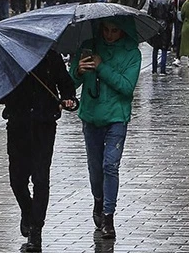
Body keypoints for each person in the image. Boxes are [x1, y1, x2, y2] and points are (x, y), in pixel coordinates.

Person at [68, 18, 142, 240]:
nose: (110, 35)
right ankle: (98, 200)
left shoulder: (132, 53)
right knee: (95, 167)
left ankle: (108, 216)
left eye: (115, 31)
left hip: (116, 117)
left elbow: (127, 87)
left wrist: (101, 67)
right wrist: (78, 71)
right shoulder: (88, 47)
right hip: (91, 116)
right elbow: (70, 84)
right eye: (106, 30)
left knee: (110, 165)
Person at [0, 50, 77, 252]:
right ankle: (28, 211)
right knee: (17, 179)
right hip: (18, 124)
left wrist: (68, 99)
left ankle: (36, 230)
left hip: (44, 124)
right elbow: (1, 93)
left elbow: (66, 85)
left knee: (41, 178)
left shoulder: (51, 56)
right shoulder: (12, 57)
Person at [147, 0, 174, 75]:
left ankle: (154, 69)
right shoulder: (169, 1)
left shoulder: (152, 1)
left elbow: (149, 14)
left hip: (155, 25)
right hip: (165, 26)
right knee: (164, 49)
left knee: (155, 48)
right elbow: (172, 15)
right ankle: (163, 69)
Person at [172, 0, 189, 66]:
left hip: (188, 19)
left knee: (188, 37)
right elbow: (173, 7)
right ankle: (178, 56)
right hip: (178, 19)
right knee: (178, 37)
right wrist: (174, 0)